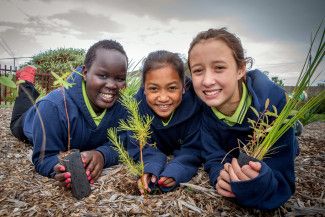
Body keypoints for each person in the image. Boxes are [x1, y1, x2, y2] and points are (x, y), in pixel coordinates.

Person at [187, 28, 298, 210]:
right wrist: (219, 176)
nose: (207, 81)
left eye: (219, 68)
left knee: (291, 144)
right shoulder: (202, 106)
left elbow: (282, 182)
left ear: (240, 70)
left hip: (270, 130)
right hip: (234, 146)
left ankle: (295, 130)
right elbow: (213, 154)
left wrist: (260, 180)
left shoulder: (274, 105)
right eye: (198, 70)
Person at [10, 40, 128, 189]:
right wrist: (59, 169)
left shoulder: (123, 109)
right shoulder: (53, 107)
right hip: (31, 120)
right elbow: (44, 158)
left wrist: (102, 155)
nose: (111, 85)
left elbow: (124, 143)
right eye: (103, 76)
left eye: (119, 78)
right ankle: (26, 82)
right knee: (17, 118)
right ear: (85, 73)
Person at [129, 50, 203, 194]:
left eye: (172, 88)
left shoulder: (196, 107)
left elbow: (194, 148)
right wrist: (151, 165)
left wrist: (177, 169)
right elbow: (137, 145)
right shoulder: (135, 108)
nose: (163, 98)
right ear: (144, 88)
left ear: (183, 87)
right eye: (154, 89)